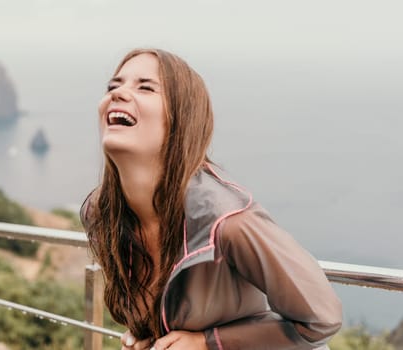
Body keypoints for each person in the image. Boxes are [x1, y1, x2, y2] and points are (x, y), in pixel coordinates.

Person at [80, 48, 342, 350]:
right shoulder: (100, 215)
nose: (119, 94)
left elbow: (321, 320)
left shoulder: (227, 220)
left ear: (181, 118)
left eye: (145, 87)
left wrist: (207, 343)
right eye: (113, 86)